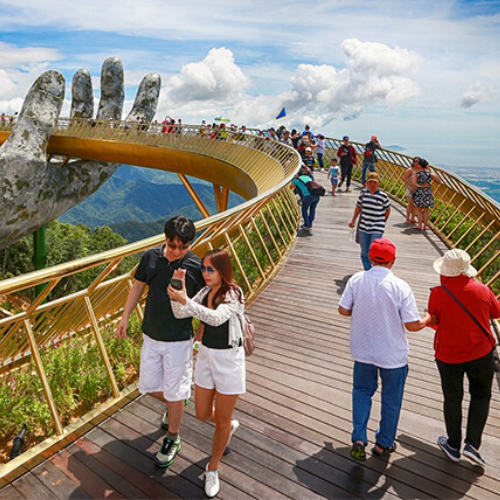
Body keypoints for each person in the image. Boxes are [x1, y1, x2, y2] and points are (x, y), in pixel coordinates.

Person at [116, 216, 204, 468]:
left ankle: (173, 437)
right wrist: (125, 317)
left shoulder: (195, 266)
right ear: (165, 239)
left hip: (178, 339)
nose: (177, 251)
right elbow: (137, 286)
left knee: (174, 392)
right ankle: (177, 401)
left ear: (190, 244)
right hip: (151, 333)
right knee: (147, 385)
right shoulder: (151, 257)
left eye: (183, 246)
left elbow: (205, 302)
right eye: (172, 244)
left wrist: (201, 329)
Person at [338, 238, 430, 461]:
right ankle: (383, 444)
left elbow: (343, 310)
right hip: (392, 355)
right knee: (391, 399)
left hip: (363, 350)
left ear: (370, 258)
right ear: (393, 261)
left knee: (361, 392)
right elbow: (411, 325)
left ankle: (359, 438)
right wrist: (428, 319)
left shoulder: (357, 280)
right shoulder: (401, 286)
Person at [168, 249, 245, 498]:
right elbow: (180, 313)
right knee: (201, 413)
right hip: (207, 357)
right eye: (203, 268)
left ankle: (213, 468)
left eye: (210, 269)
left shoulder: (234, 293)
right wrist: (177, 290)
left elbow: (215, 319)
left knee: (221, 420)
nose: (205, 273)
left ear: (223, 269)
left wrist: (185, 300)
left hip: (229, 360)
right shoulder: (203, 292)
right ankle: (228, 425)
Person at [427, 249, 500, 466]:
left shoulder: (437, 294)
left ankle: (453, 445)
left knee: (453, 398)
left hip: (448, 356)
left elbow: (435, 321)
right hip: (481, 354)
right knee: (481, 396)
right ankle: (472, 444)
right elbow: (496, 313)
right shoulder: (483, 290)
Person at [349, 172, 391, 270]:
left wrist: (383, 221)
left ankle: (374, 270)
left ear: (379, 183)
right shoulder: (363, 194)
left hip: (377, 227)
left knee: (374, 250)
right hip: (364, 227)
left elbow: (387, 210)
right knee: (364, 252)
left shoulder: (383, 196)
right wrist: (353, 220)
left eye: (374, 182)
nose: (372, 184)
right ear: (367, 183)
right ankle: (368, 269)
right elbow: (358, 207)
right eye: (370, 182)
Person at [413, 158, 441, 231]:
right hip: (428, 192)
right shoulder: (430, 174)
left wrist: (420, 186)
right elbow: (438, 180)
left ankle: (419, 225)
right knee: (426, 210)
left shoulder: (417, 174)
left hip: (420, 192)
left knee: (418, 209)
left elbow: (414, 183)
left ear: (419, 165)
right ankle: (425, 226)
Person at [403, 157, 420, 224]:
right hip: (410, 189)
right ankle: (407, 218)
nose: (416, 162)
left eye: (418, 161)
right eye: (415, 161)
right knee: (411, 203)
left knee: (415, 204)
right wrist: (411, 184)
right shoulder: (410, 170)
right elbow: (405, 178)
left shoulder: (420, 170)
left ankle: (413, 218)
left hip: (417, 189)